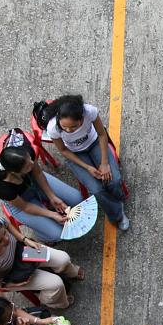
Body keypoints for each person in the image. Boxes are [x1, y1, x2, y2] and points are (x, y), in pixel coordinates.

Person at [47, 95, 130, 231]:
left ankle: (118, 196)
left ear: (81, 118)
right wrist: (88, 167)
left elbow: (102, 134)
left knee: (114, 180)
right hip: (75, 154)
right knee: (96, 190)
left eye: (73, 127)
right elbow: (63, 150)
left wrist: (104, 163)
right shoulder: (53, 128)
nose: (68, 130)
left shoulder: (89, 112)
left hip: (95, 143)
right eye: (64, 127)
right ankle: (117, 214)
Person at [0, 129, 83, 242]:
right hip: (21, 203)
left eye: (30, 160)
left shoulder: (26, 153)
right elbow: (25, 207)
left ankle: (46, 208)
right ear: (14, 172)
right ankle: (44, 236)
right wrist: (52, 214)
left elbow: (37, 172)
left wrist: (52, 196)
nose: (32, 164)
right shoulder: (4, 188)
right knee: (58, 234)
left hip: (34, 181)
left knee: (77, 198)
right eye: (27, 167)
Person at [0, 216, 83, 309]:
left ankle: (71, 273)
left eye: (4, 233)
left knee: (63, 258)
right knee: (56, 284)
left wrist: (25, 239)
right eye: (0, 241)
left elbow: (7, 224)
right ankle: (56, 302)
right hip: (14, 273)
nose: (7, 239)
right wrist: (6, 285)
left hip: (23, 251)